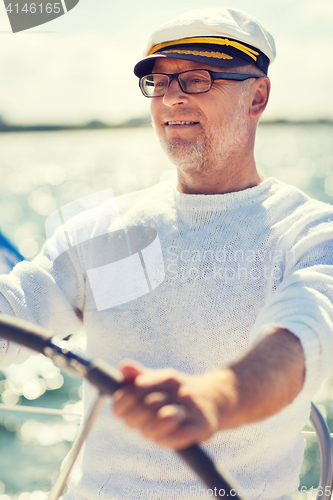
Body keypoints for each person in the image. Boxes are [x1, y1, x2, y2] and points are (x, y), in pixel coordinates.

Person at [0, 7, 333, 500]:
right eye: (158, 81)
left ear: (257, 95)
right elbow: (19, 309)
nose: (172, 96)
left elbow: (308, 333)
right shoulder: (107, 230)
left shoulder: (308, 231)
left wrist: (215, 398)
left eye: (198, 79)